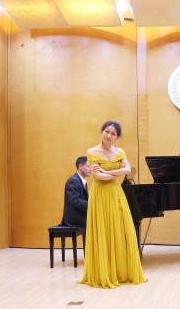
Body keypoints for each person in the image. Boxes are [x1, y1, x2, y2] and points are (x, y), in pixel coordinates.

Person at [79, 120, 146, 288]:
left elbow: (128, 170)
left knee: (120, 230)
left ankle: (120, 272)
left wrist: (106, 171)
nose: (109, 135)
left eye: (113, 133)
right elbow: (98, 177)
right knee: (103, 230)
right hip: (100, 195)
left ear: (117, 137)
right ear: (102, 132)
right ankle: (104, 272)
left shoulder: (120, 152)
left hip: (116, 194)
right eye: (106, 131)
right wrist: (117, 173)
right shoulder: (92, 152)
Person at [61, 156, 91, 228]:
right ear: (80, 167)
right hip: (73, 219)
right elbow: (75, 201)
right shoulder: (73, 181)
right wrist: (92, 205)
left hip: (80, 215)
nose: (90, 169)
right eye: (88, 166)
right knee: (97, 221)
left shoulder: (82, 181)